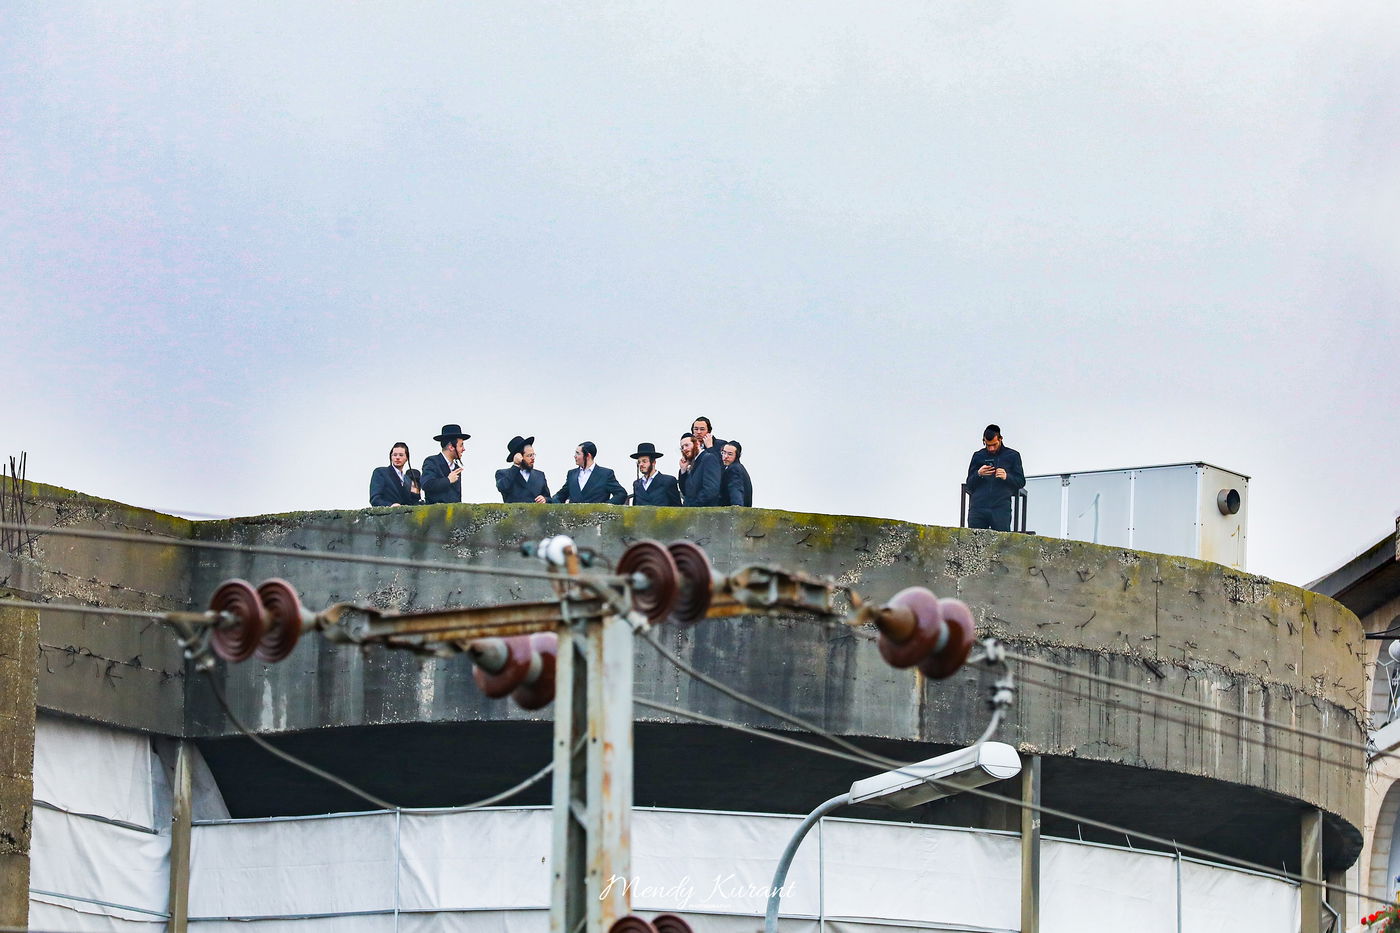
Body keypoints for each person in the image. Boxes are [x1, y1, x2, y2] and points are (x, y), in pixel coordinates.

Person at [965, 424, 1025, 531]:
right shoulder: (978, 456)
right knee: (973, 542)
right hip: (978, 507)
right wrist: (979, 474)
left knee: (1001, 544)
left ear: (1000, 439)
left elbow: (1021, 481)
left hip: (1000, 507)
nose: (991, 448)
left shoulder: (1012, 456)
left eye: (994, 444)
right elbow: (969, 484)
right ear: (983, 441)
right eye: (988, 445)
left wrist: (1007, 476)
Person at [551, 441, 628, 504]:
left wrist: (605, 508)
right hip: (573, 520)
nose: (575, 456)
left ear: (588, 456)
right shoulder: (571, 474)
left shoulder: (605, 474)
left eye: (578, 453)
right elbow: (561, 495)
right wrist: (547, 500)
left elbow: (621, 494)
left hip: (596, 520)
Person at [422, 424, 470, 504]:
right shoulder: (432, 462)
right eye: (461, 445)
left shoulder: (456, 468)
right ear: (451, 447)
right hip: (435, 514)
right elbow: (426, 484)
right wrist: (448, 480)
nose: (463, 449)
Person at [496, 435, 550, 504]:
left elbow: (549, 499)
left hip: (536, 514)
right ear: (519, 456)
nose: (533, 458)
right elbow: (503, 487)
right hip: (515, 514)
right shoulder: (503, 473)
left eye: (533, 455)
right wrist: (515, 466)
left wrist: (545, 499)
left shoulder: (540, 475)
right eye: (529, 455)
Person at [677, 432, 722, 507]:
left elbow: (711, 490)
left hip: (704, 513)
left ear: (697, 443)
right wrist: (683, 470)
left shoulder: (708, 458)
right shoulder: (693, 463)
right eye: (682, 447)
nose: (684, 449)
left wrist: (692, 505)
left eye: (687, 445)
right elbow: (686, 492)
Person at [630, 442, 681, 507]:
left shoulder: (668, 481)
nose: (641, 464)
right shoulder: (636, 484)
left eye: (644, 461)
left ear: (653, 462)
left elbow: (677, 508)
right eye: (639, 462)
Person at [369, 442, 419, 507]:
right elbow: (375, 499)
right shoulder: (381, 472)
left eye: (401, 455)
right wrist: (391, 505)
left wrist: (414, 494)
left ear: (406, 458)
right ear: (391, 457)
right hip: (386, 515)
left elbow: (409, 503)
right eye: (395, 455)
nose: (397, 458)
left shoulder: (407, 480)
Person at [720, 440, 753, 507]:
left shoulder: (734, 469)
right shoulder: (738, 467)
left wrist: (737, 506)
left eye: (730, 454)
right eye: (724, 453)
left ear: (737, 456)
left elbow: (736, 489)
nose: (725, 456)